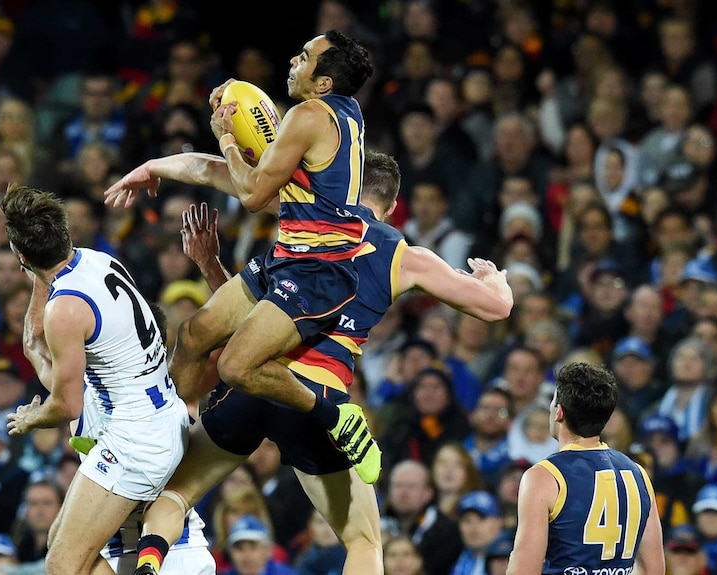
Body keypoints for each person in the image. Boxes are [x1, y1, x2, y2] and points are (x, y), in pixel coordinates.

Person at [117, 150, 511, 575]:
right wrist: (495, 280)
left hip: (249, 387)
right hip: (317, 396)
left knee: (175, 496)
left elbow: (215, 173)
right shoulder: (405, 257)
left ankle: (151, 561)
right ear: (394, 207)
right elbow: (496, 309)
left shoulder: (304, 211)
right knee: (363, 542)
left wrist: (155, 169)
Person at [104, 29, 383, 484]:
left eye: (305, 56)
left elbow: (251, 193)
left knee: (235, 366)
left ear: (324, 83)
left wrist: (227, 137)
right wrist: (154, 167)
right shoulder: (339, 114)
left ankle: (335, 415)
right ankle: (153, 437)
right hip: (288, 256)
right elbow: (223, 175)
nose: (293, 59)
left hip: (318, 272)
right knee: (195, 334)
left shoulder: (309, 115)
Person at [0, 184, 190, 575]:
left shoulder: (65, 310)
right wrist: (36, 275)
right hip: (160, 412)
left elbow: (65, 404)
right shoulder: (99, 260)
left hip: (135, 441)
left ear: (21, 256)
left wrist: (31, 418)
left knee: (62, 566)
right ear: (66, 235)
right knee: (62, 545)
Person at [506, 363, 665, 575]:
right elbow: (653, 569)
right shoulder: (638, 474)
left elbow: (524, 570)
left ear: (559, 412)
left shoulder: (543, 477)